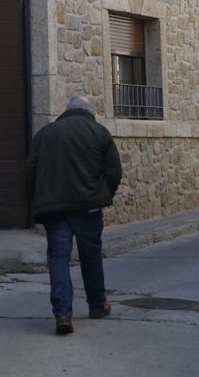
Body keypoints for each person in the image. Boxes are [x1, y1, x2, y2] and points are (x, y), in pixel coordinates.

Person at [26, 94, 124, 335]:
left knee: (58, 257)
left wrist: (37, 200)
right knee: (91, 256)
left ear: (67, 109)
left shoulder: (46, 133)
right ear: (90, 112)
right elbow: (114, 172)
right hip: (88, 207)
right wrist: (103, 194)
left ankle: (62, 314)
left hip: (55, 209)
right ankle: (97, 305)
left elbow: (30, 171)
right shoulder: (99, 133)